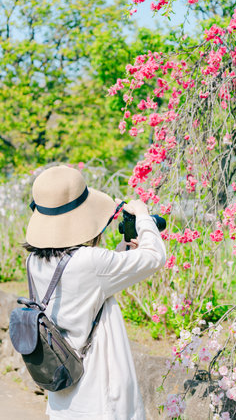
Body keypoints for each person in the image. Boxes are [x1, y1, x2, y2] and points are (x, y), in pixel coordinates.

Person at [23, 165, 166, 420]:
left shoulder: (34, 261)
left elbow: (84, 286)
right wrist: (143, 215)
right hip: (100, 391)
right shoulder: (91, 262)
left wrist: (122, 253)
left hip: (63, 383)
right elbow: (155, 257)